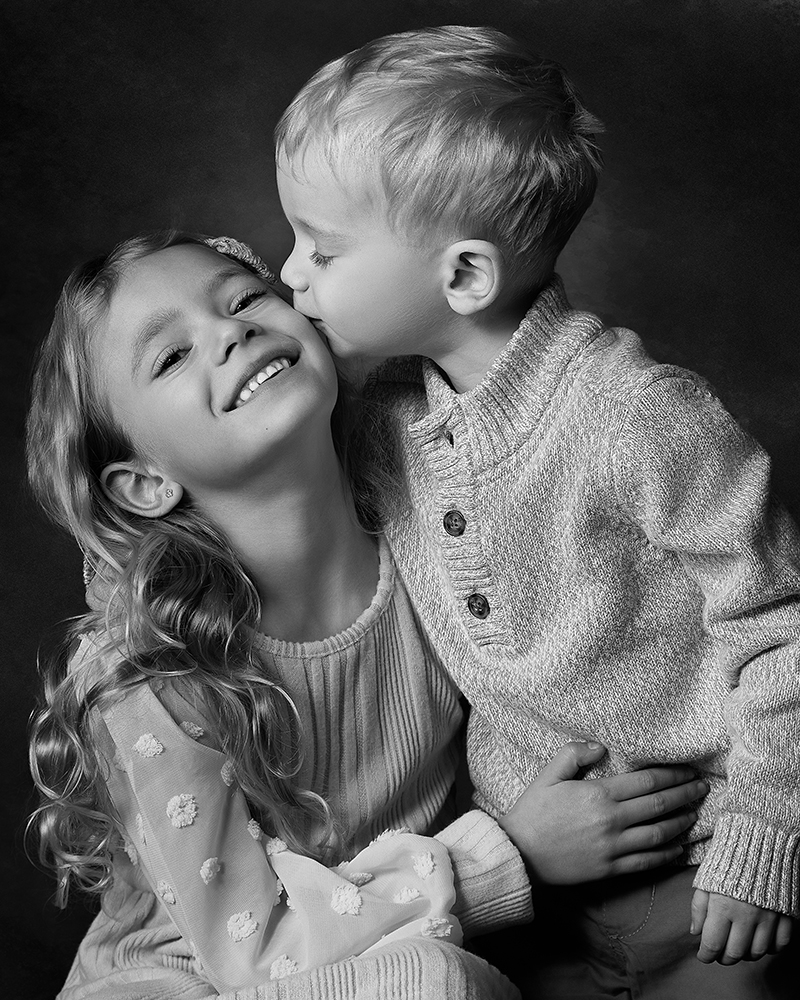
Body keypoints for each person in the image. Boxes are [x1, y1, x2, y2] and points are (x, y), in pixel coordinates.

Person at [26, 232, 704, 1000]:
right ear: (145, 483)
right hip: (186, 979)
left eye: (245, 298)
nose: (231, 331)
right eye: (171, 357)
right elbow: (258, 953)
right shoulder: (148, 672)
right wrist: (511, 853)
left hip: (405, 931)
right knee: (435, 984)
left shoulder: (434, 528)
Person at [274, 24, 800, 998]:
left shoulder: (638, 415)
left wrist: (766, 835)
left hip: (705, 871)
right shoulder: (385, 414)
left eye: (322, 249)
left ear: (463, 276)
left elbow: (778, 628)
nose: (290, 275)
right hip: (536, 890)